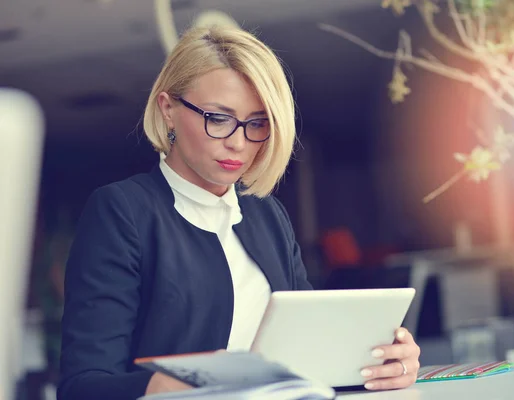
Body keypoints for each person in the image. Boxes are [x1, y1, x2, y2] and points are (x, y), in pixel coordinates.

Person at [58, 25, 421, 400]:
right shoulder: (122, 212)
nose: (238, 141)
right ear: (168, 110)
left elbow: (308, 360)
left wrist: (380, 365)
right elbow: (83, 386)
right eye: (218, 118)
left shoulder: (267, 215)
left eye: (257, 122)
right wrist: (162, 387)